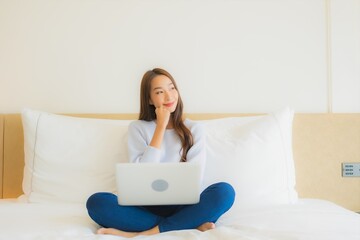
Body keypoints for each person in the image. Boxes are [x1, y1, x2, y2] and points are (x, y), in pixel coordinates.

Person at [86, 68, 235, 238]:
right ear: (149, 99)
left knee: (224, 192)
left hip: (184, 205)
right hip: (144, 206)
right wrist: (160, 127)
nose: (169, 96)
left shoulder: (194, 129)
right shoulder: (138, 128)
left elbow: (196, 177)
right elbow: (141, 173)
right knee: (97, 202)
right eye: (159, 92)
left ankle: (143, 233)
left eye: (172, 88)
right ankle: (189, 224)